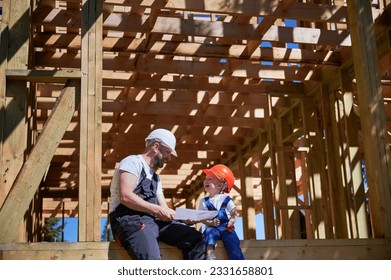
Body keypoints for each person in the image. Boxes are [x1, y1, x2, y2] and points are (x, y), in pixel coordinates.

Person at [108, 128, 206, 260]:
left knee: (195, 239)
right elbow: (126, 196)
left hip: (151, 221)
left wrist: (183, 218)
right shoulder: (132, 162)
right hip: (128, 220)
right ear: (155, 147)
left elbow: (164, 210)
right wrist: (158, 210)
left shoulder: (156, 178)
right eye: (167, 152)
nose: (169, 157)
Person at [198, 164, 245, 260]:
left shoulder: (225, 199)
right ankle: (210, 253)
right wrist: (210, 223)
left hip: (225, 228)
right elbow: (202, 218)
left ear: (220, 185)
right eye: (205, 179)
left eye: (210, 179)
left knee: (232, 240)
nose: (206, 181)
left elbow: (234, 213)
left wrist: (231, 222)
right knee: (208, 233)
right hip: (213, 228)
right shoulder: (203, 201)